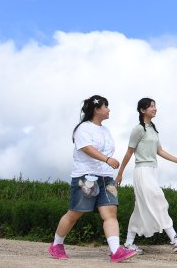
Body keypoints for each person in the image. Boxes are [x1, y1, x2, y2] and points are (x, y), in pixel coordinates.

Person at [48, 95, 137, 263]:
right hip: (86, 177)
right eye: (106, 106)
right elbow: (87, 148)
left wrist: (107, 164)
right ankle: (56, 245)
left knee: (110, 213)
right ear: (97, 109)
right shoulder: (83, 129)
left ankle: (115, 251)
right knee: (75, 212)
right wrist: (107, 159)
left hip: (105, 178)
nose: (109, 110)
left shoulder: (105, 130)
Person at [116, 97, 177, 254]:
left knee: (140, 208)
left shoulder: (153, 129)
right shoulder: (139, 129)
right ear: (142, 110)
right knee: (158, 199)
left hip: (152, 171)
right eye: (151, 106)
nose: (155, 108)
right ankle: (174, 238)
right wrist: (120, 174)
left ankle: (128, 244)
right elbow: (129, 152)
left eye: (155, 106)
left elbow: (160, 151)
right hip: (142, 171)